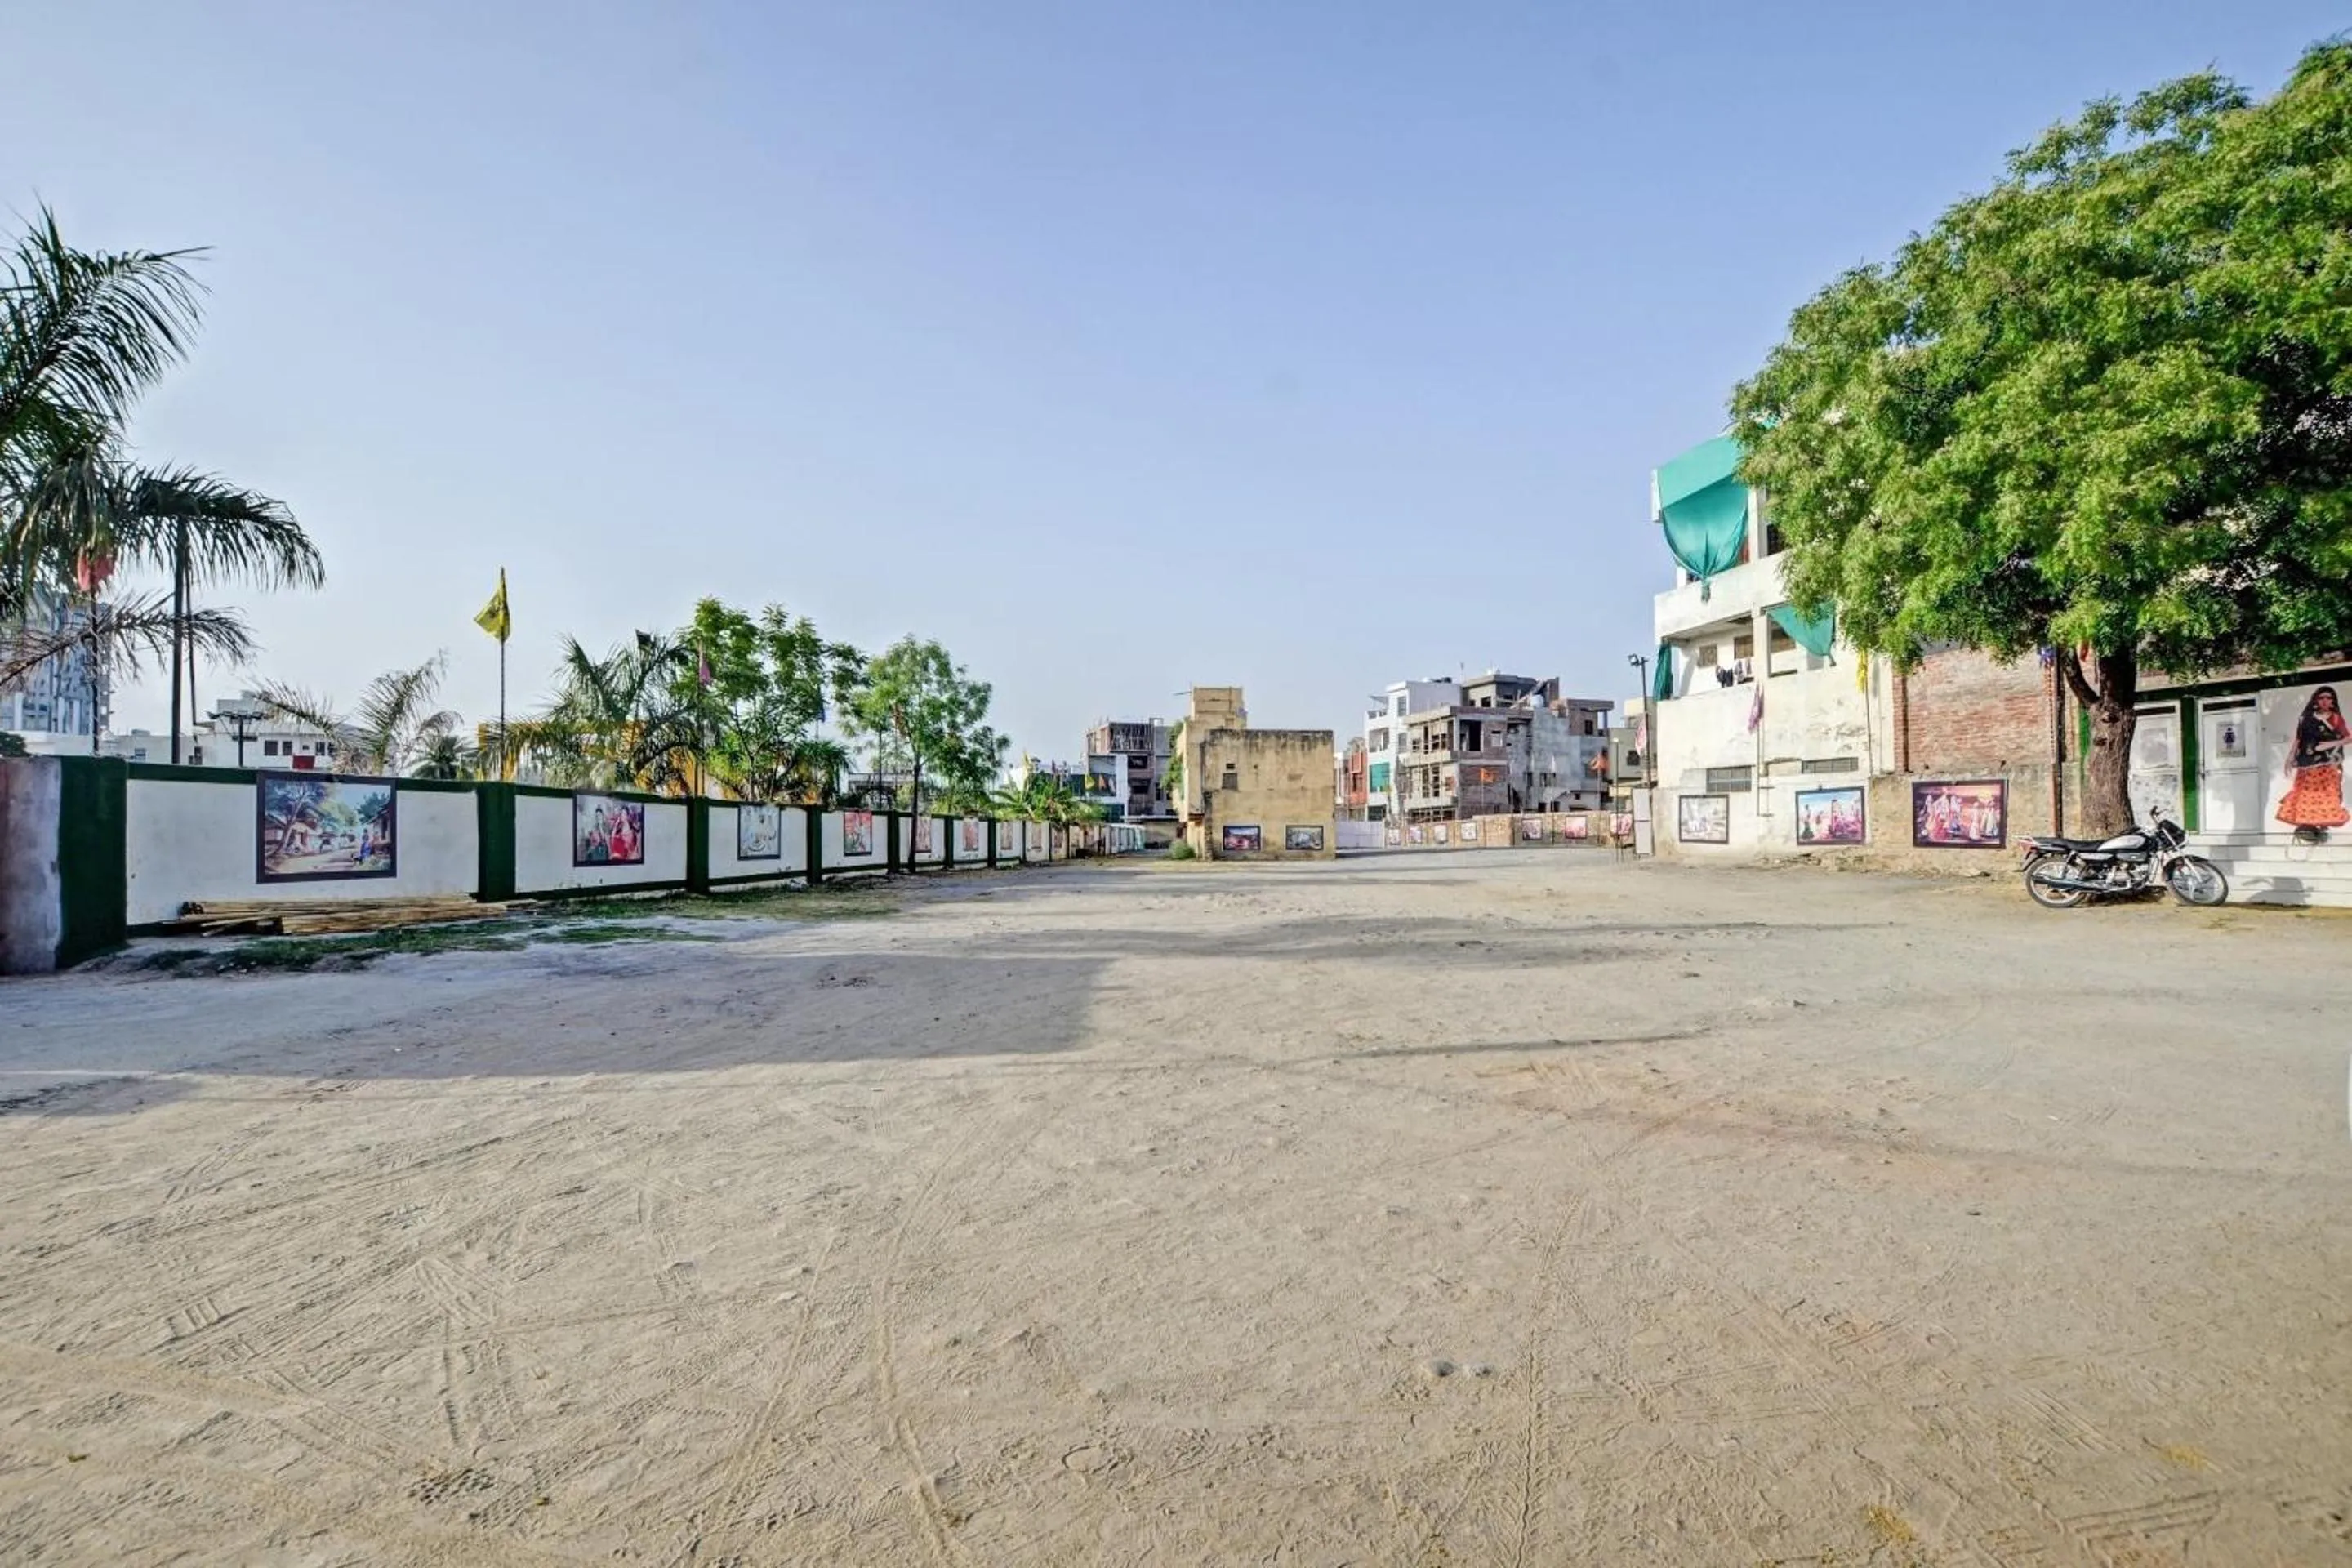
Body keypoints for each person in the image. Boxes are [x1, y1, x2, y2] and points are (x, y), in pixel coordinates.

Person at [2276, 685, 2350, 838]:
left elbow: (2348, 737)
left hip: (2327, 763)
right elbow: (2299, 738)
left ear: (2333, 701)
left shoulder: (2335, 718)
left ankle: (2320, 828)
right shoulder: (2306, 718)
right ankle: (2309, 828)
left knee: (2324, 796)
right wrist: (2290, 756)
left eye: (2329, 698)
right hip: (2306, 763)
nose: (2325, 701)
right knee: (2305, 795)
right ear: (2316, 700)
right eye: (2321, 698)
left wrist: (2330, 744)